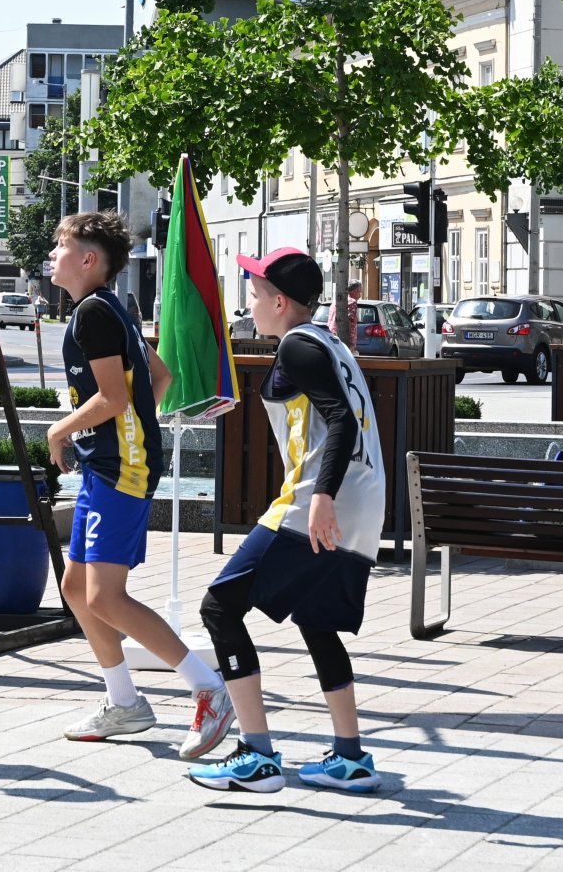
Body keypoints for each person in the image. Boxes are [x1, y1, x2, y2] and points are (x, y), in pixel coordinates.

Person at [187, 249, 387, 794]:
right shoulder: (330, 343)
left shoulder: (299, 344)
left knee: (220, 606)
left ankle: (257, 755)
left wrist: (322, 497)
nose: (249, 305)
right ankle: (351, 758)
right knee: (316, 619)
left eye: (254, 294)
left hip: (320, 503)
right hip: (365, 503)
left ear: (280, 301)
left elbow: (341, 421)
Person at [46, 211, 233, 758]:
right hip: (114, 461)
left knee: (105, 595)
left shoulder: (94, 316)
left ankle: (210, 689)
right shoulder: (110, 310)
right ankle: (125, 702)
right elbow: (161, 376)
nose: (52, 256)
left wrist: (60, 429)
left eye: (61, 247)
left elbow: (116, 398)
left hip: (120, 468)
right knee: (77, 591)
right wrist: (122, 428)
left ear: (88, 260)